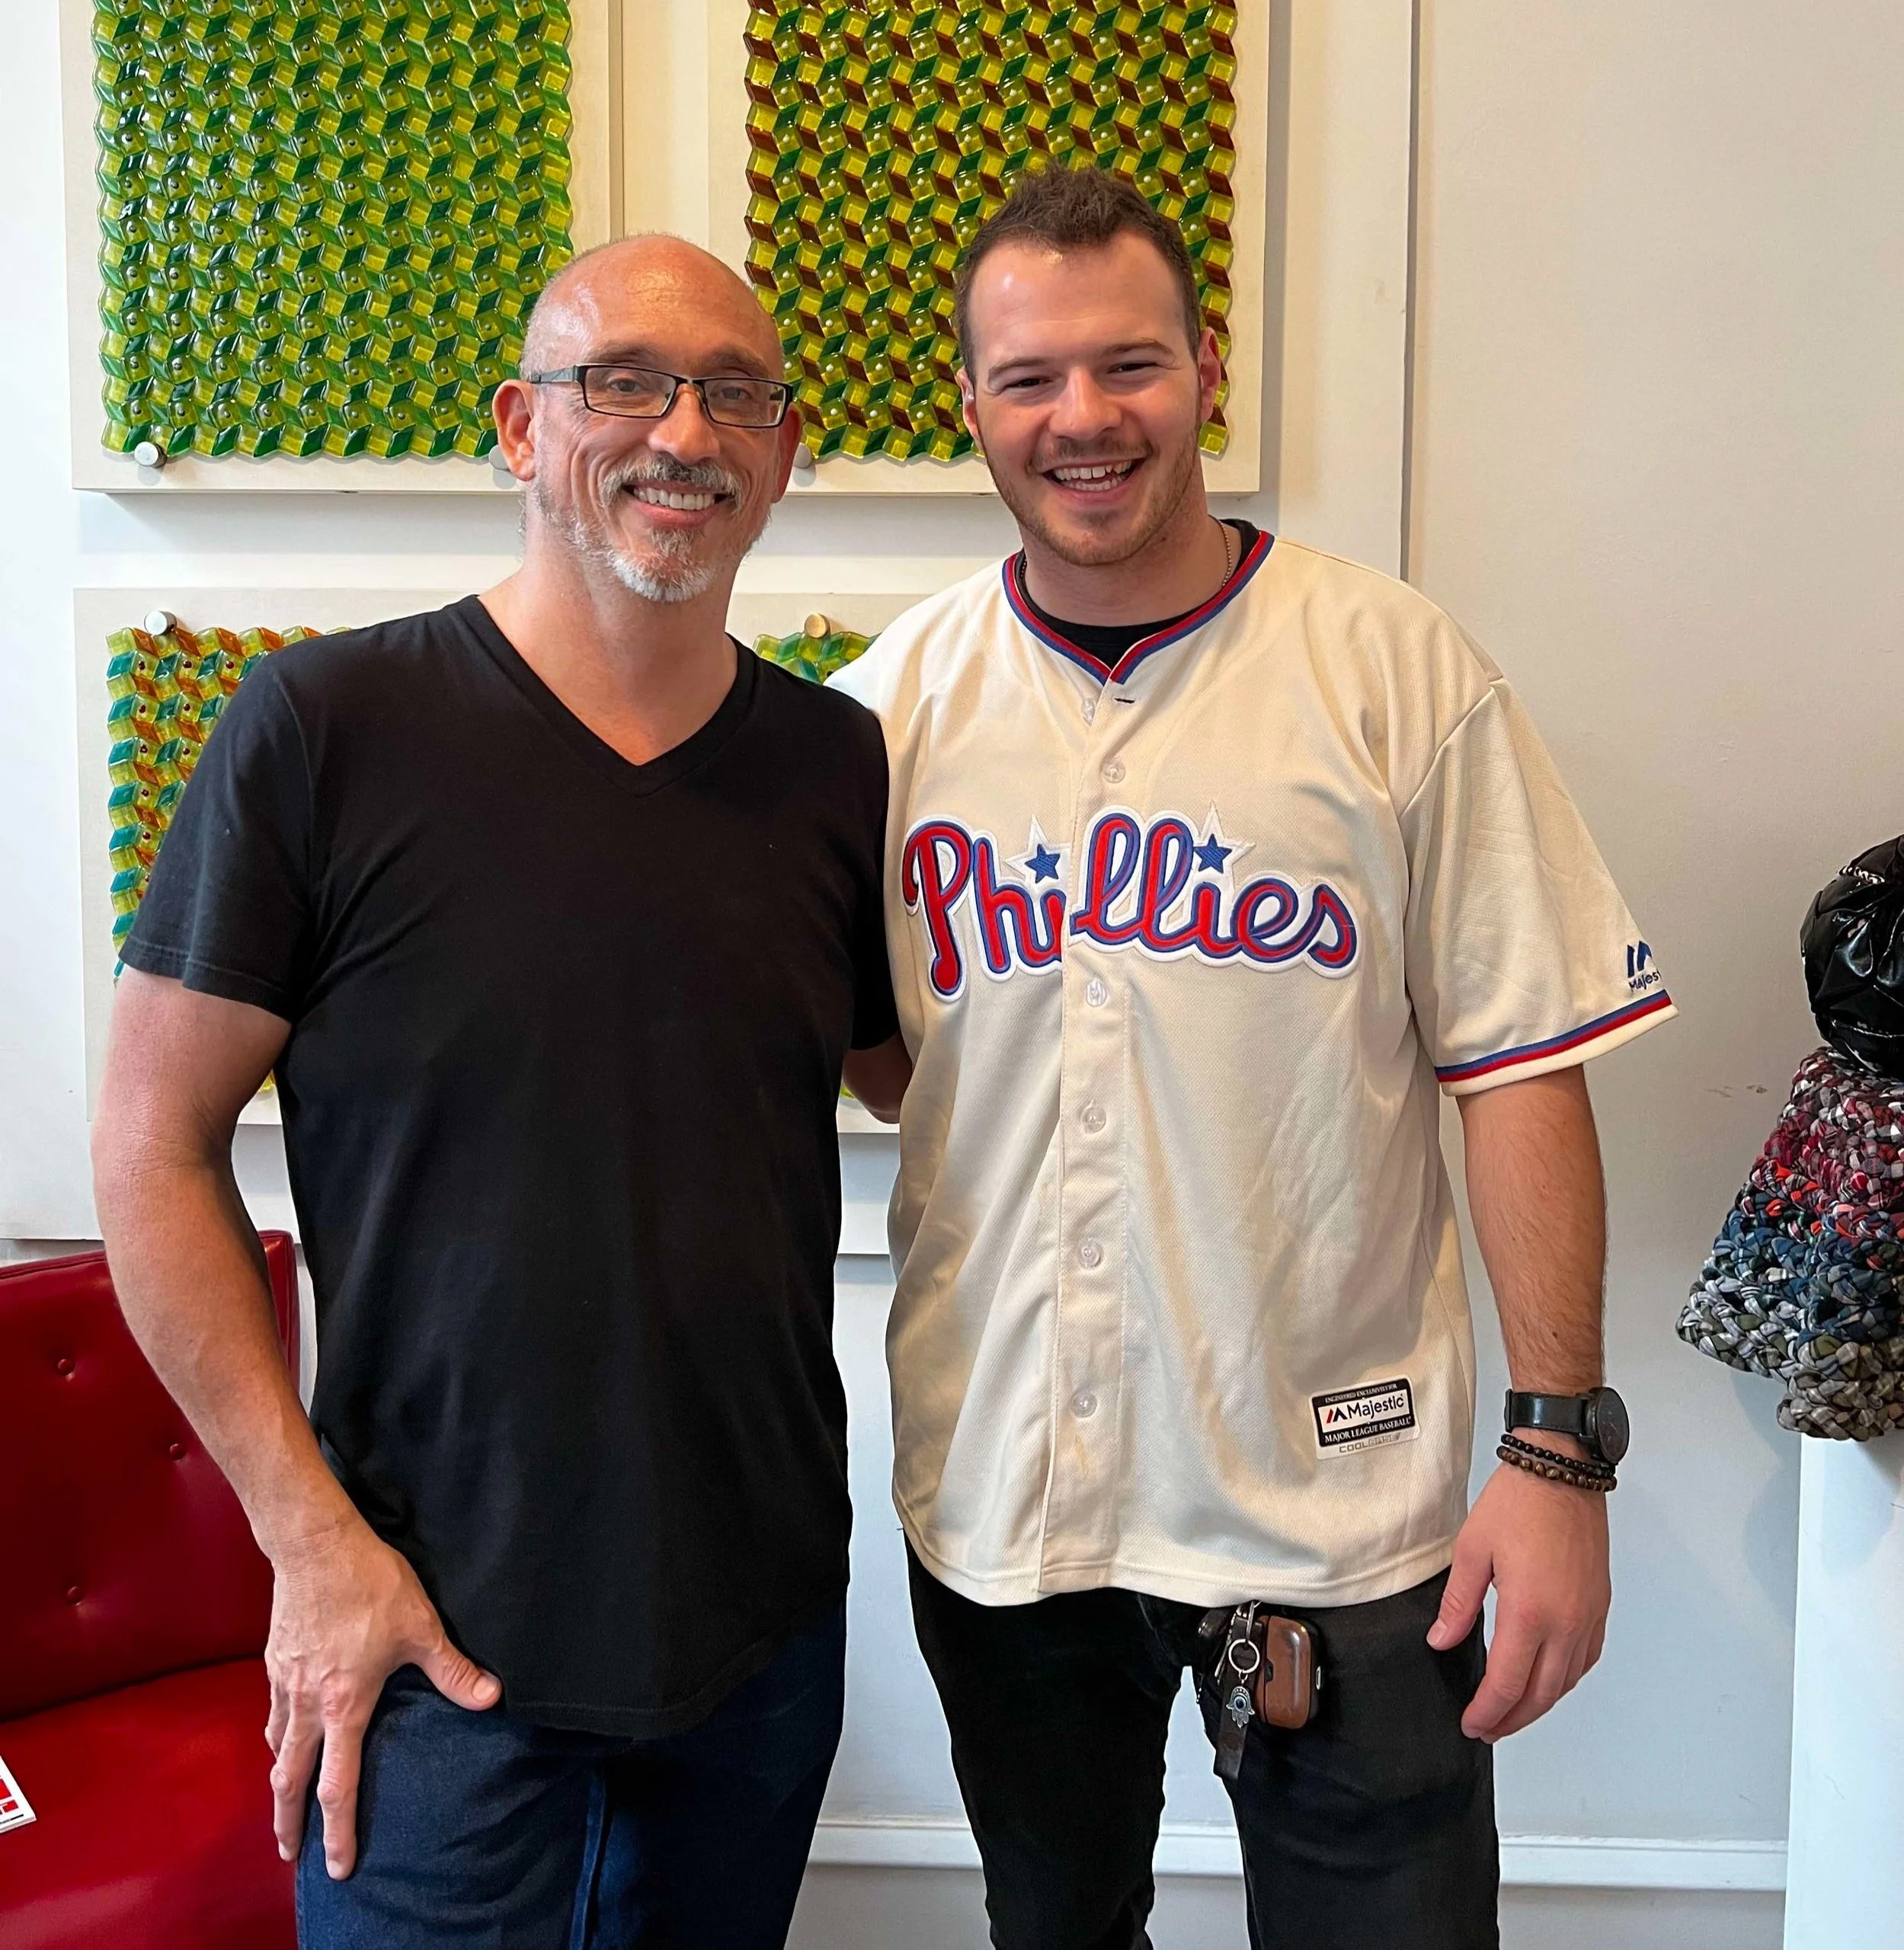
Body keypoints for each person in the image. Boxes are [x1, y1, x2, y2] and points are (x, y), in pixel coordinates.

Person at [830, 167, 1675, 1950]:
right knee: (1056, 1930)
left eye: (1128, 362)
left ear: (1208, 368)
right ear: (967, 403)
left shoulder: (1391, 670)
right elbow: (890, 1060)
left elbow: (1520, 1058)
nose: (1084, 417)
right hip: (1006, 1504)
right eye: (1030, 376)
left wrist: (1558, 1453)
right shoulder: (889, 707)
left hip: (1336, 1499)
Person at [91, 235, 901, 1950]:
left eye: (734, 392)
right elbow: (150, 1147)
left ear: (783, 449)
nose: (684, 428)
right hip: (423, 1635)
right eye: (625, 378)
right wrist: (310, 1547)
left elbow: (952, 1084)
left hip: (756, 1632)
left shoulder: (837, 764)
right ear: (521, 428)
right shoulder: (322, 725)